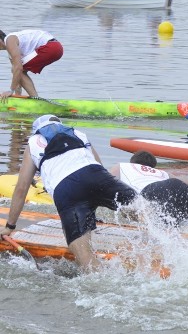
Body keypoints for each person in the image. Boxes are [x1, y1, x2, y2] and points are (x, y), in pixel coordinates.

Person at [0, 115, 139, 271]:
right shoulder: (78, 133)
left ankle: (99, 281)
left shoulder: (33, 143)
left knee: (86, 261)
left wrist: (10, 226)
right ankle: (165, 233)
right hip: (96, 174)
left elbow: (21, 188)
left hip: (66, 188)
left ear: (36, 131)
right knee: (141, 209)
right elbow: (99, 167)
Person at [0, 28, 64, 99]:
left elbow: (18, 69)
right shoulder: (12, 49)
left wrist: (10, 90)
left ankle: (36, 98)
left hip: (51, 47)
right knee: (17, 70)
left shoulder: (9, 40)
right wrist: (17, 96)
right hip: (57, 48)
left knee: (17, 69)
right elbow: (17, 74)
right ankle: (35, 98)